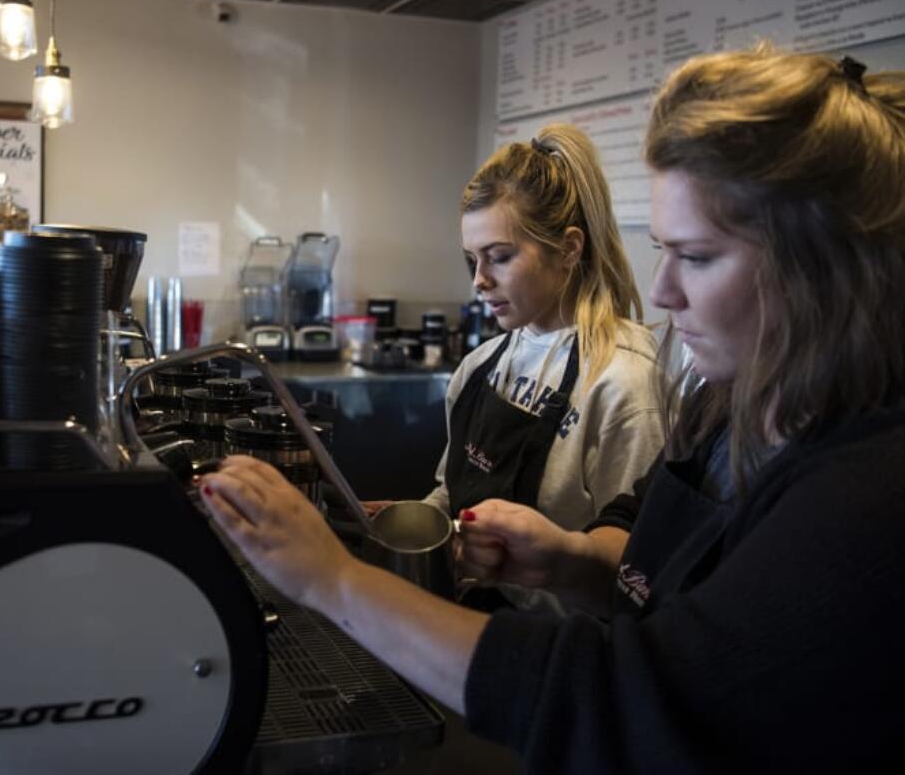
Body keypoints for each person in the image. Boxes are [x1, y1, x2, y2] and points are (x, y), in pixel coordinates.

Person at [200, 44, 905, 771]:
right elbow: (641, 553)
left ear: (822, 265)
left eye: (695, 257)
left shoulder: (864, 499)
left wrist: (335, 580)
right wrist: (565, 557)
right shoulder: (722, 410)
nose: (661, 293)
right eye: (663, 251)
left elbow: (638, 692)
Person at [369, 123, 662, 612]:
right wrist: (407, 525)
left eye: (499, 257)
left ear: (569, 248)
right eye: (472, 261)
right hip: (466, 624)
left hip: (556, 656)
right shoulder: (481, 367)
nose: (480, 282)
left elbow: (632, 573)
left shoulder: (623, 386)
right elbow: (451, 492)